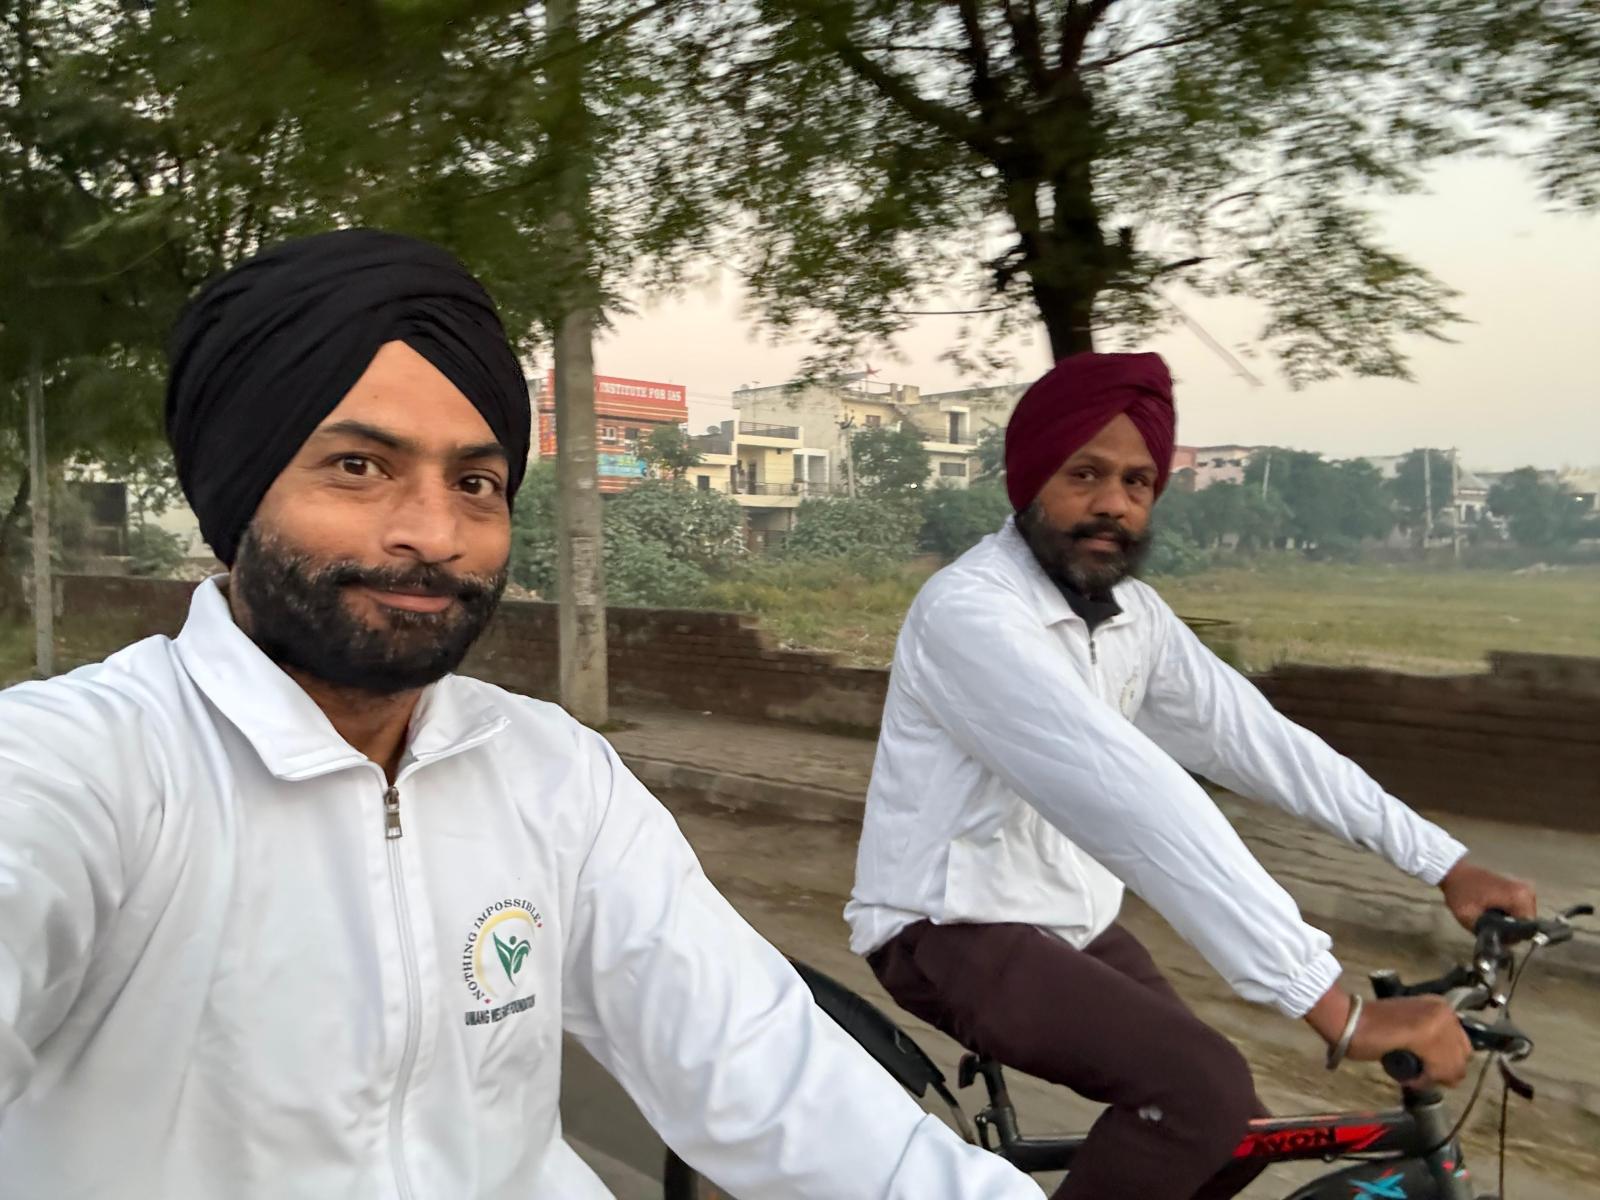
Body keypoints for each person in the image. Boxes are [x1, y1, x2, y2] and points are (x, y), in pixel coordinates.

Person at [0, 230, 1043, 1200]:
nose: (434, 534)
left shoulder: (551, 774)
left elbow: (771, 1077)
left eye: (476, 481)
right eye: (359, 467)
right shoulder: (80, 769)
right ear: (237, 491)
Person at [845, 352, 1536, 1200]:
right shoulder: (972, 614)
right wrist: (1333, 1006)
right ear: (1030, 481)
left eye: (1137, 482)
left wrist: (1444, 863)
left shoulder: (1133, 617)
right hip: (948, 927)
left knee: (1229, 1132)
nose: (1114, 503)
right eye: (1085, 475)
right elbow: (1135, 797)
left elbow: (1262, 743)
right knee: (1197, 1095)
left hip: (1066, 919)